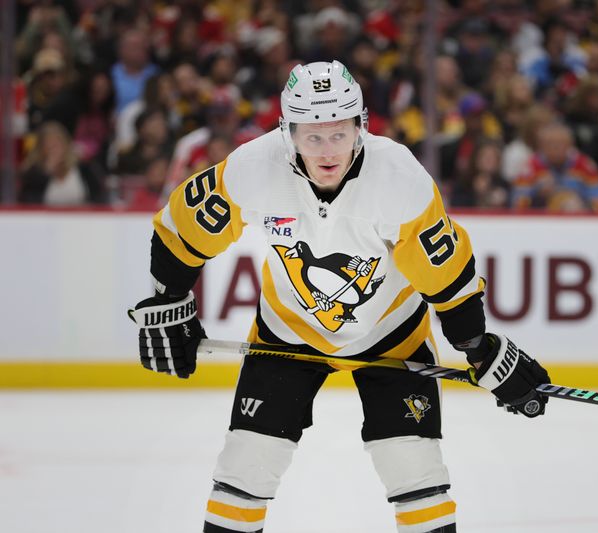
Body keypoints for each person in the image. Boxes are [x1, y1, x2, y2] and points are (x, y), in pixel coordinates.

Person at [128, 60, 551, 533]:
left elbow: (447, 275)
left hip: (392, 333)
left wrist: (478, 347)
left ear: (360, 127)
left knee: (416, 470)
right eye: (312, 136)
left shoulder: (399, 178)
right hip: (287, 333)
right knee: (246, 464)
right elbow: (179, 230)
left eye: (339, 133)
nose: (327, 150)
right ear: (288, 131)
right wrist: (167, 300)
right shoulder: (253, 168)